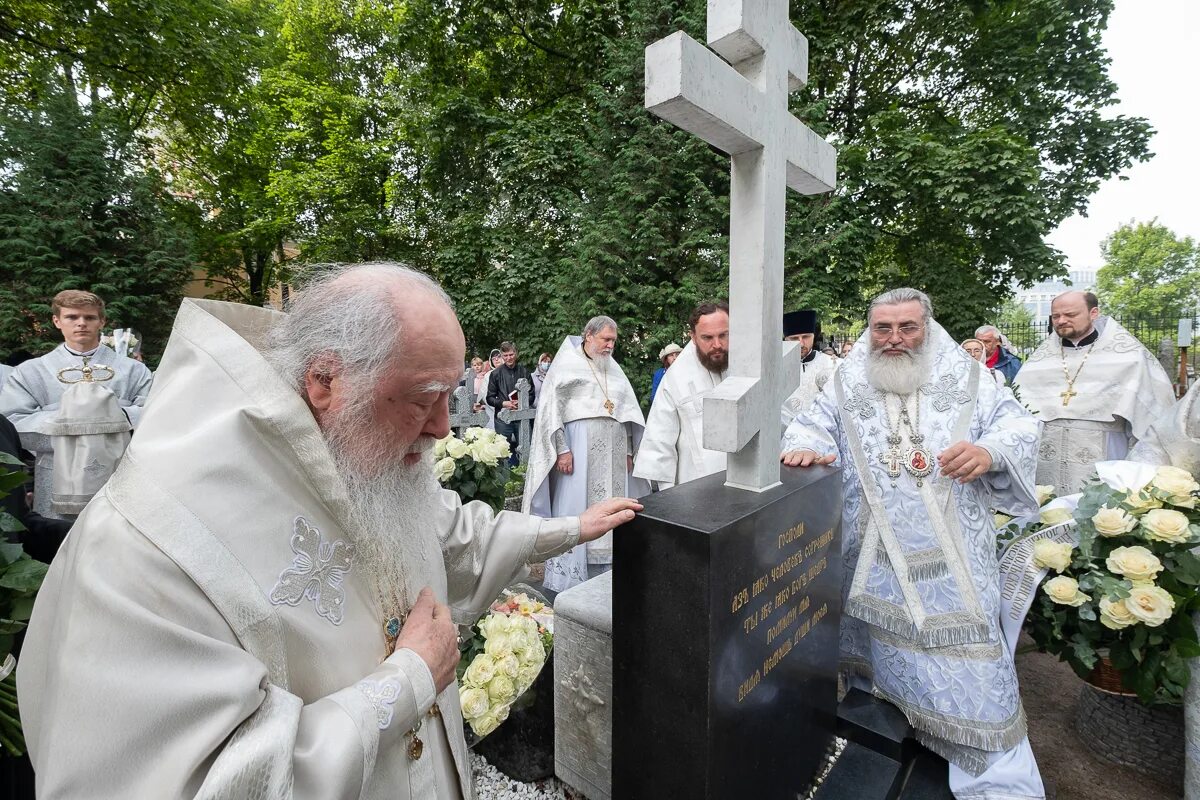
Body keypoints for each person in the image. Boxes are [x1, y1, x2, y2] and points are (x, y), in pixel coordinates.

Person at [16, 263, 642, 799]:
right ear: (324, 381)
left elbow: (449, 536)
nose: (444, 429)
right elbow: (200, 781)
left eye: (450, 396)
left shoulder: (360, 452)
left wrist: (569, 528)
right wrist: (407, 682)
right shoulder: (150, 540)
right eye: (425, 398)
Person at [781, 288, 1045, 800]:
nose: (895, 339)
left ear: (928, 325)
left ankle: (995, 782)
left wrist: (989, 451)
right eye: (883, 329)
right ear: (869, 329)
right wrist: (804, 449)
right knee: (874, 663)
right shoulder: (846, 379)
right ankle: (886, 733)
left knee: (972, 667)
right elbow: (807, 428)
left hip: (954, 560)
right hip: (867, 556)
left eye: (907, 327)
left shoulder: (971, 378)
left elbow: (1019, 426)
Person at [524, 317, 651, 594]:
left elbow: (627, 413)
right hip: (579, 452)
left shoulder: (613, 369)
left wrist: (629, 450)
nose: (610, 345)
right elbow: (551, 412)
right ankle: (571, 576)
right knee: (577, 502)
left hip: (615, 455)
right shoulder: (566, 364)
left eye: (613, 341)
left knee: (614, 502)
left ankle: (610, 566)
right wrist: (562, 449)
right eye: (606, 339)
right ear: (588, 336)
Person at [1013, 290, 1176, 496]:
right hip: (1047, 456)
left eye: (1070, 315)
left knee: (1099, 516)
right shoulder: (1038, 362)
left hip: (1106, 453)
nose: (1061, 321)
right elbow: (1016, 412)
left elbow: (1153, 414)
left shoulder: (1129, 357)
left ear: (1094, 313)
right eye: (1056, 316)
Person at [0, 290, 153, 431]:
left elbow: (153, 412)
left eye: (90, 317)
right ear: (57, 321)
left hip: (118, 457)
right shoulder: (29, 372)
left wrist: (118, 414)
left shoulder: (135, 370)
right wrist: (69, 419)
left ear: (102, 321)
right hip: (56, 458)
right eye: (71, 317)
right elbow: (13, 419)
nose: (81, 323)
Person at [633, 301, 729, 489]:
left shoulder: (746, 362)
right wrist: (669, 497)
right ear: (693, 337)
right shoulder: (675, 378)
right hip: (696, 487)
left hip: (747, 480)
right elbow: (659, 442)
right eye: (707, 338)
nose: (717, 345)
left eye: (723, 335)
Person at [781, 309, 837, 427]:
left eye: (805, 337)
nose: (801, 343)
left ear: (813, 336)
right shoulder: (776, 367)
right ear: (786, 339)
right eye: (794, 338)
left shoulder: (830, 364)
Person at [487, 341, 534, 456]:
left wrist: (522, 403)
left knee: (526, 450)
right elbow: (490, 398)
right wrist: (504, 403)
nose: (509, 358)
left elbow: (532, 394)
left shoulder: (524, 371)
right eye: (506, 355)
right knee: (502, 452)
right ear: (502, 356)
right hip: (503, 418)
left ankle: (526, 472)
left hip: (522, 416)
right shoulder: (496, 374)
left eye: (511, 354)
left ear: (516, 354)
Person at [469, 356, 495, 429]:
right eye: (475, 365)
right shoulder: (469, 378)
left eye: (479, 365)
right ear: (472, 366)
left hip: (483, 400)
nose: (477, 367)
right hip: (472, 400)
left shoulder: (486, 377)